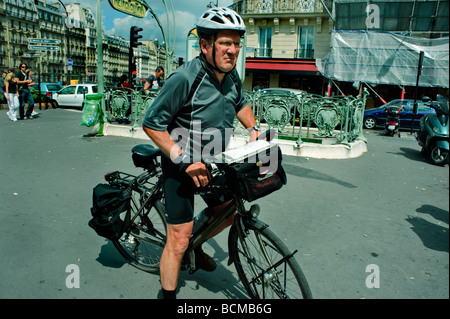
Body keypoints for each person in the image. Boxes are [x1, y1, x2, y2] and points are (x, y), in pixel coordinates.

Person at [142, 7, 260, 299]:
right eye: (225, 43)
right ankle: (170, 289)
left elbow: (241, 104)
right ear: (205, 45)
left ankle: (198, 245)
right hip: (181, 164)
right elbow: (152, 124)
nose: (233, 50)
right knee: (178, 241)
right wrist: (185, 160)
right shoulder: (185, 78)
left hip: (213, 161)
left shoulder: (231, 77)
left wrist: (256, 129)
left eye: (236, 43)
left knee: (229, 212)